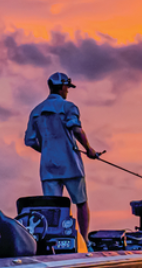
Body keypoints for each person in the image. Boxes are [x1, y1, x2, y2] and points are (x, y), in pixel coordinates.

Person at [24, 72, 101, 242]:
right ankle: (84, 240)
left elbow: (30, 141)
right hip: (71, 164)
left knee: (54, 208)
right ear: (63, 87)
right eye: (67, 87)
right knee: (81, 202)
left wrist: (46, 150)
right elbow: (76, 129)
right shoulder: (69, 107)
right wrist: (89, 149)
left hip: (48, 167)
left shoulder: (36, 111)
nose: (68, 91)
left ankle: (56, 241)